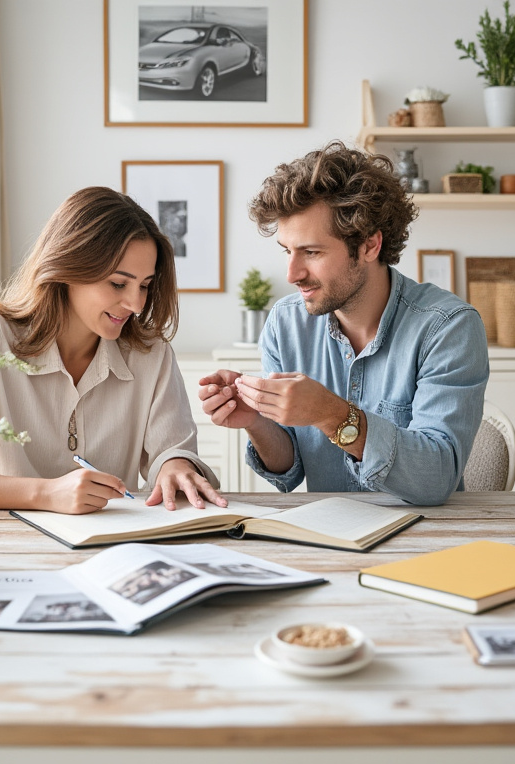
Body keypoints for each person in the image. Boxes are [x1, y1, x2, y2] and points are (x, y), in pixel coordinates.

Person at [199, 142, 489, 505]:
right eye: (287, 251)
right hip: (325, 541)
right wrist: (256, 420)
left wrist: (331, 413)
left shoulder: (448, 328)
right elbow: (290, 467)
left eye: (312, 252)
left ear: (369, 246)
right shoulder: (285, 324)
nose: (292, 273)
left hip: (425, 540)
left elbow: (436, 477)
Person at [0, 186, 226, 515]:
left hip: (114, 546)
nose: (137, 304)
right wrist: (46, 493)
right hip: (7, 543)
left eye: (144, 285)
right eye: (118, 283)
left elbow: (172, 449)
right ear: (69, 268)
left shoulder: (151, 354)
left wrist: (175, 466)